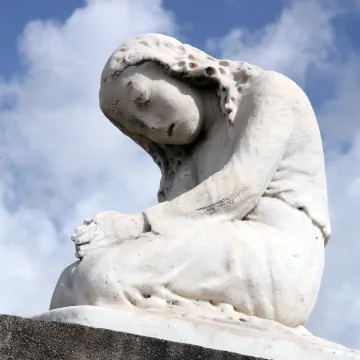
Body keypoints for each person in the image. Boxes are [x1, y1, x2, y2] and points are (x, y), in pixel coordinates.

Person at [50, 34, 331, 328]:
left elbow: (239, 190)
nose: (151, 125)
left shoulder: (271, 92)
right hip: (220, 245)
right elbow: (173, 232)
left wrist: (130, 226)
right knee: (71, 283)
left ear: (179, 69)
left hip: (276, 262)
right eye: (136, 126)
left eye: (143, 101)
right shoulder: (183, 161)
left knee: (103, 276)